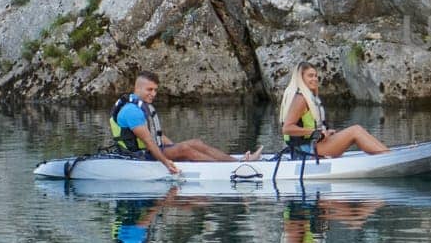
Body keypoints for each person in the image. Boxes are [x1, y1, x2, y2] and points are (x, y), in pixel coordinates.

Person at [109, 71, 259, 174]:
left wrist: (175, 148)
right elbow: (149, 142)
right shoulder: (132, 111)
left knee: (196, 143)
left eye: (155, 90)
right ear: (138, 88)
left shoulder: (140, 106)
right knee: (187, 149)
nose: (153, 94)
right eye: (150, 89)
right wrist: (167, 162)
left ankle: (236, 162)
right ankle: (230, 170)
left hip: (150, 150)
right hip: (139, 156)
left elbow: (157, 135)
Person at [278, 62, 390, 158]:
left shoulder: (304, 97)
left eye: (316, 76)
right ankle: (387, 157)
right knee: (356, 130)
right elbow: (287, 128)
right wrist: (316, 132)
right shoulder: (300, 98)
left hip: (312, 146)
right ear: (301, 78)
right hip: (308, 151)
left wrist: (325, 132)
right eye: (310, 76)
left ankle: (386, 154)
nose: (315, 79)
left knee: (357, 130)